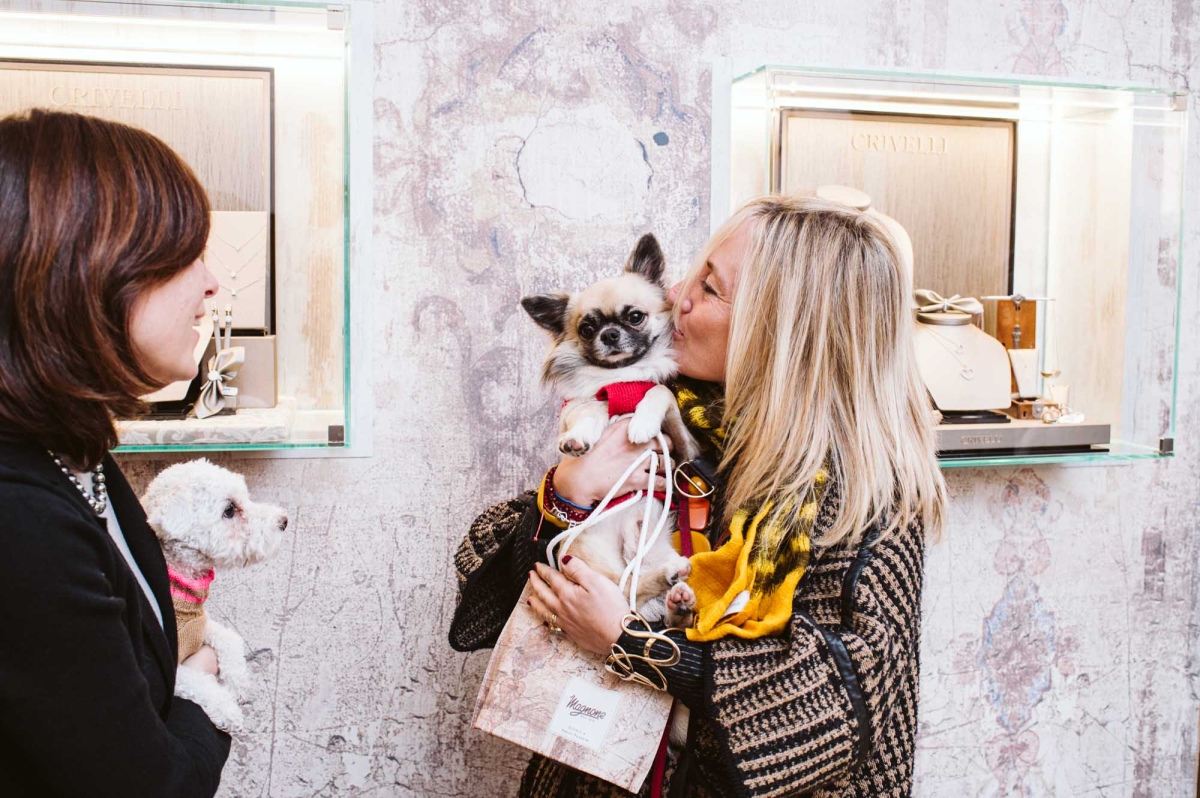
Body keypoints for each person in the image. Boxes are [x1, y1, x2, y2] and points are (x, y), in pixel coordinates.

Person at [450, 195, 947, 797]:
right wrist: (566, 495)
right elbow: (492, 579)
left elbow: (836, 709)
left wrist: (631, 643)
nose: (677, 294)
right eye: (693, 273)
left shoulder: (866, 494)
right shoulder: (661, 414)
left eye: (709, 288)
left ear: (780, 330)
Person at [0, 109, 231, 796]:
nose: (212, 283)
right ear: (88, 272)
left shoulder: (75, 450)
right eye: (186, 256)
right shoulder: (19, 517)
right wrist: (202, 688)